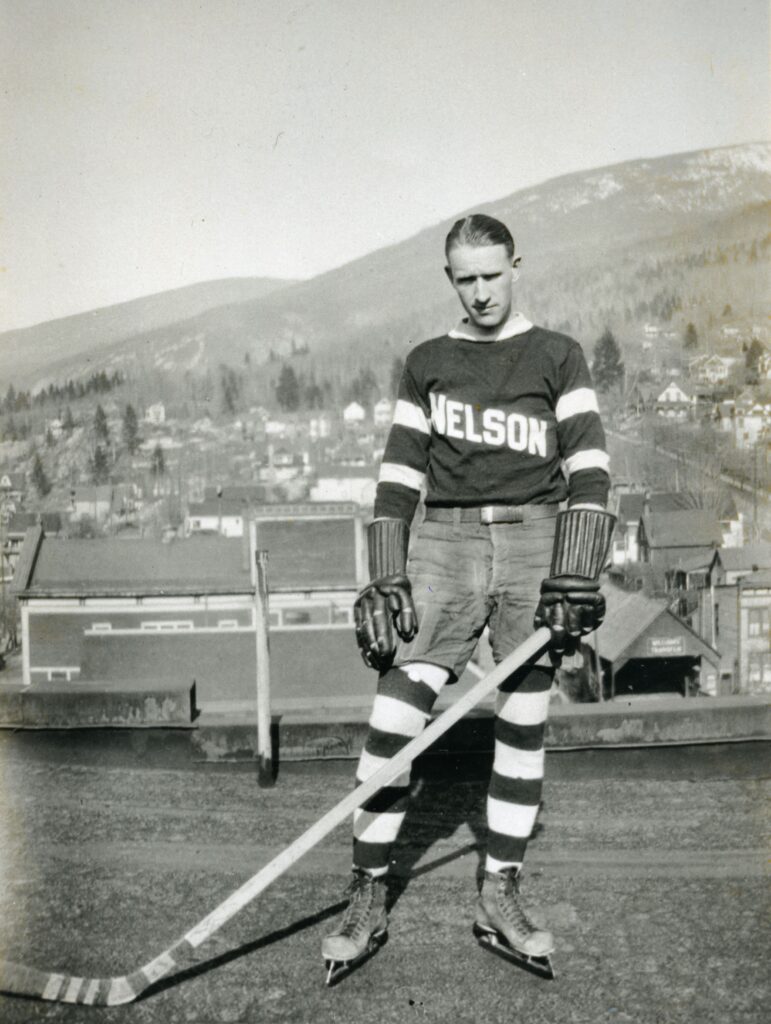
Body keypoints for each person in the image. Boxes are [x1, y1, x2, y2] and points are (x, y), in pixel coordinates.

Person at [322, 213, 613, 981]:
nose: (481, 292)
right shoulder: (427, 362)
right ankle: (367, 888)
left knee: (523, 723)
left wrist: (574, 568)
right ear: (449, 278)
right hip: (444, 542)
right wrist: (386, 570)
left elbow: (589, 469)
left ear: (516, 265)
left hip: (535, 541)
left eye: (491, 274)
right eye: (465, 279)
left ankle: (499, 891)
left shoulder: (557, 355)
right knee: (393, 719)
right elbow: (398, 478)